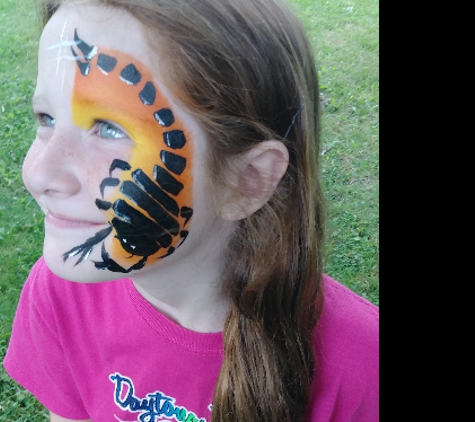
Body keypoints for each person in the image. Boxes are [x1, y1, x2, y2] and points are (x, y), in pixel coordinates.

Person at [3, 0, 379, 421]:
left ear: (247, 179)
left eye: (110, 129)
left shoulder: (362, 366)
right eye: (46, 117)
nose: (38, 172)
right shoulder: (61, 298)